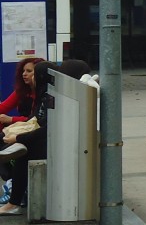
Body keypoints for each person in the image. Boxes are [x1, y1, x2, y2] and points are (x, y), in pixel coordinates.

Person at [0, 59, 90, 216]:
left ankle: (14, 201)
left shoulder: (62, 97)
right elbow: (38, 121)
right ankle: (13, 190)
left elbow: (48, 127)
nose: (27, 76)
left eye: (32, 73)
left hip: (66, 145)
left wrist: (19, 137)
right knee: (12, 144)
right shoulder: (56, 94)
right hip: (59, 140)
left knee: (23, 152)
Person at [0, 57, 43, 207]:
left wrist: (11, 119)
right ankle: (11, 181)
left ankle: (14, 185)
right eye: (23, 71)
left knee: (13, 148)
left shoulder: (43, 94)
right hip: (22, 128)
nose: (25, 74)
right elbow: (4, 107)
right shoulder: (22, 91)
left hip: (32, 131)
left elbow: (37, 119)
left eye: (29, 71)